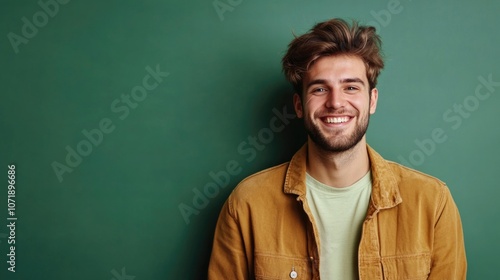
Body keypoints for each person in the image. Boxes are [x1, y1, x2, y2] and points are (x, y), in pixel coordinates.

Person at [208, 18, 466, 280]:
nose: (335, 102)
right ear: (299, 106)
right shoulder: (248, 204)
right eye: (320, 89)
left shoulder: (432, 203)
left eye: (351, 87)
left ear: (372, 100)